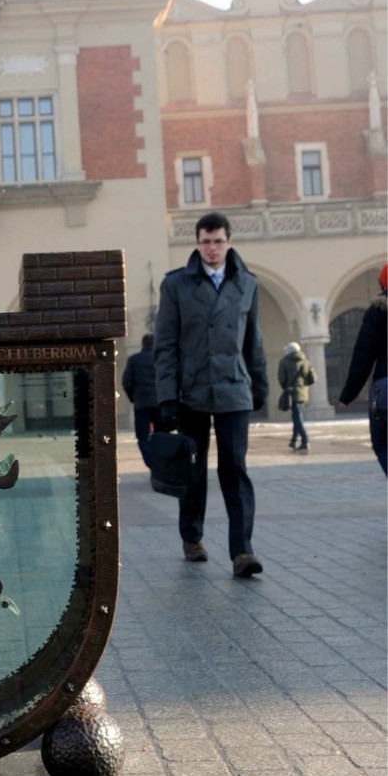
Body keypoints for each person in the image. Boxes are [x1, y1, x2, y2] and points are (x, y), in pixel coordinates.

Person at [154, 211, 269, 578]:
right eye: (205, 241)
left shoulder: (247, 284)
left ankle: (242, 551)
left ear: (229, 241)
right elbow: (165, 346)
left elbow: (255, 341)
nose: (212, 249)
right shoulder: (176, 285)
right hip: (192, 393)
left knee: (235, 468)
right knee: (194, 470)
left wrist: (260, 384)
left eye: (218, 241)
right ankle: (192, 537)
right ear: (197, 243)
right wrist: (167, 397)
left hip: (234, 389)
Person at [338, 263, 387, 475]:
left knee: (382, 444)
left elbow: (363, 357)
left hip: (385, 387)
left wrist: (348, 394)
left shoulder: (377, 312)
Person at [121, 333, 160, 467]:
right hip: (160, 404)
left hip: (141, 404)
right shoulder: (160, 359)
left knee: (142, 437)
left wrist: (134, 398)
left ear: (143, 344)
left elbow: (126, 382)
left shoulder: (134, 360)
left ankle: (151, 462)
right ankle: (160, 461)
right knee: (161, 435)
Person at [277, 341, 316, 454]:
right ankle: (294, 440)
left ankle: (305, 440)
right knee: (296, 416)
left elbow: (281, 379)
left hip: (291, 392)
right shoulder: (306, 362)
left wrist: (286, 387)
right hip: (303, 392)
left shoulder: (284, 362)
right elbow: (313, 378)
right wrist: (303, 385)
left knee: (297, 417)